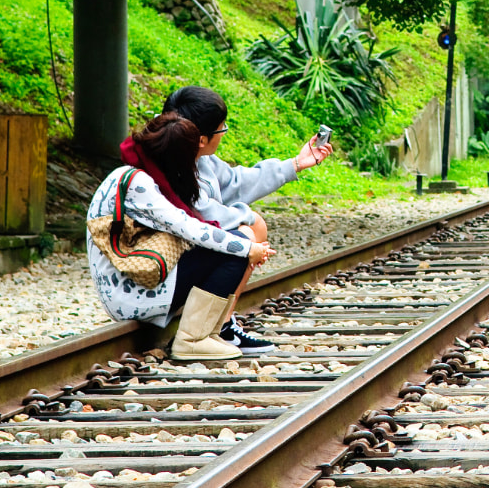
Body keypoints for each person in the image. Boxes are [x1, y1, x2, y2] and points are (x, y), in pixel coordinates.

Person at [146, 86, 332, 354]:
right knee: (245, 235)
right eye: (221, 129)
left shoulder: (196, 156)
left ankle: (221, 325)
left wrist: (295, 164)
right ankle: (197, 337)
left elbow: (236, 182)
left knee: (252, 227)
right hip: (156, 274)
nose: (223, 134)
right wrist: (248, 231)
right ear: (201, 138)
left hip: (180, 258)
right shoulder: (171, 167)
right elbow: (202, 216)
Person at [87, 112, 274, 361]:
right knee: (232, 252)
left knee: (232, 244)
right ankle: (192, 340)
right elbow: (189, 228)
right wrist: (248, 248)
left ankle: (209, 333)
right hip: (128, 294)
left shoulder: (133, 172)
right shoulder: (138, 184)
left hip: (129, 280)